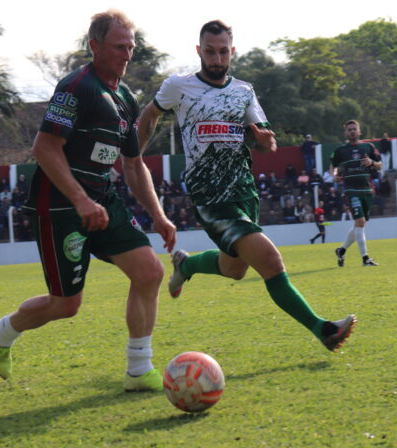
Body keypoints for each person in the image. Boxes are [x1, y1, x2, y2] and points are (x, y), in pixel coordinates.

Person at [0, 11, 176, 392]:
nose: (127, 54)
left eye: (131, 47)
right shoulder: (76, 87)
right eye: (120, 47)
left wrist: (159, 215)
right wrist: (81, 200)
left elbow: (134, 166)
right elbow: (45, 148)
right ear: (95, 46)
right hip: (59, 206)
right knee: (66, 305)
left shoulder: (125, 99)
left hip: (103, 200)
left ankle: (139, 369)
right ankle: (1, 332)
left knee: (149, 272)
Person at [137, 20, 355, 352]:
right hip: (210, 195)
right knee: (271, 261)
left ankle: (187, 264)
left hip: (243, 190)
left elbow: (262, 131)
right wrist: (133, 153)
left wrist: (264, 137)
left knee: (234, 268)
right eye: (210, 51)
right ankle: (322, 329)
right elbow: (150, 114)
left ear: (232, 52)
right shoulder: (178, 86)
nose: (216, 58)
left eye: (223, 51)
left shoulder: (244, 90)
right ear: (199, 51)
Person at [331, 119, 381, 267]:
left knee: (360, 224)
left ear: (359, 131)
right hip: (351, 190)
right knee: (359, 222)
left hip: (367, 190)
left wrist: (372, 163)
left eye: (354, 129)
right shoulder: (341, 150)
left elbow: (379, 165)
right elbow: (333, 166)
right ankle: (365, 258)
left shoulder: (368, 147)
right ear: (345, 133)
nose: (352, 131)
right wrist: (334, 174)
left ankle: (341, 250)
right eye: (349, 129)